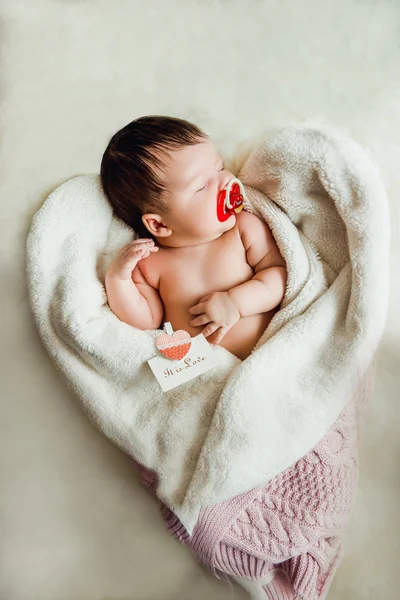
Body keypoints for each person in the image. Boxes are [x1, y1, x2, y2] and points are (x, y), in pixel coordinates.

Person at [100, 115, 287, 360]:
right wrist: (117, 278)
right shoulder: (150, 263)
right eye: (202, 185)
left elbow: (279, 275)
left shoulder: (243, 229)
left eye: (220, 167)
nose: (226, 181)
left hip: (272, 352)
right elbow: (145, 321)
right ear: (159, 224)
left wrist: (237, 302)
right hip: (207, 373)